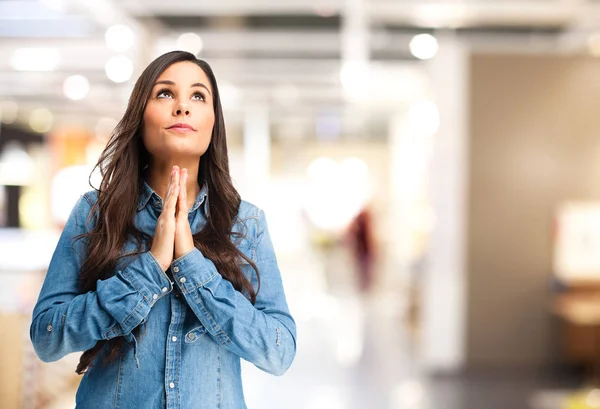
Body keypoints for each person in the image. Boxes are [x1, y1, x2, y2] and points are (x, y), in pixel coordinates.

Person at [30, 50, 297, 409]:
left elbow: (279, 351)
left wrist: (191, 264)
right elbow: (47, 338)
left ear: (213, 122)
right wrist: (149, 269)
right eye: (165, 93)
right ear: (140, 116)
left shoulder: (245, 224)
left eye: (198, 96)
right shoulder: (94, 213)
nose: (182, 107)